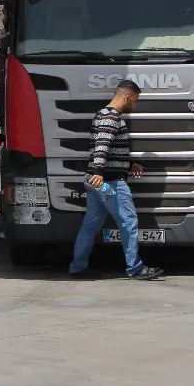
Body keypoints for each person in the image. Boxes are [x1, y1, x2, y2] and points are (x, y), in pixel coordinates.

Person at [69, 80, 165, 280]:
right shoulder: (112, 117)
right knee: (128, 221)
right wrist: (98, 172)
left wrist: (129, 165)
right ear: (127, 97)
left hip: (98, 181)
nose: (135, 106)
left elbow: (107, 148)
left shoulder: (102, 115)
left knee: (90, 224)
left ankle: (78, 266)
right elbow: (102, 145)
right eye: (135, 101)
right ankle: (135, 268)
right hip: (108, 182)